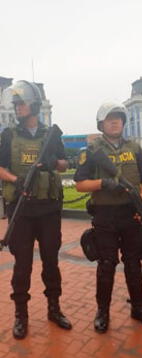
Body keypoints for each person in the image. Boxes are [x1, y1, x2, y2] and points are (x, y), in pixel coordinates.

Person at [75, 102, 142, 332]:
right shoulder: (92, 151)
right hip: (105, 214)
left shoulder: (135, 147)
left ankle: (139, 308)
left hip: (131, 213)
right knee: (107, 264)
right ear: (101, 124)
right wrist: (104, 183)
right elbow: (80, 184)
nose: (114, 122)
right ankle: (103, 312)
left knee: (133, 262)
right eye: (109, 118)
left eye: (118, 118)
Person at [0, 81, 71, 339]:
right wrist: (16, 180)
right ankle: (21, 314)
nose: (17, 107)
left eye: (22, 103)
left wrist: (53, 162)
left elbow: (64, 164)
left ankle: (54, 308)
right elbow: (1, 167)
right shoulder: (8, 135)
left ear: (34, 106)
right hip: (21, 210)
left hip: (49, 209)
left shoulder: (51, 134)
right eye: (16, 103)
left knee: (51, 262)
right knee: (23, 265)